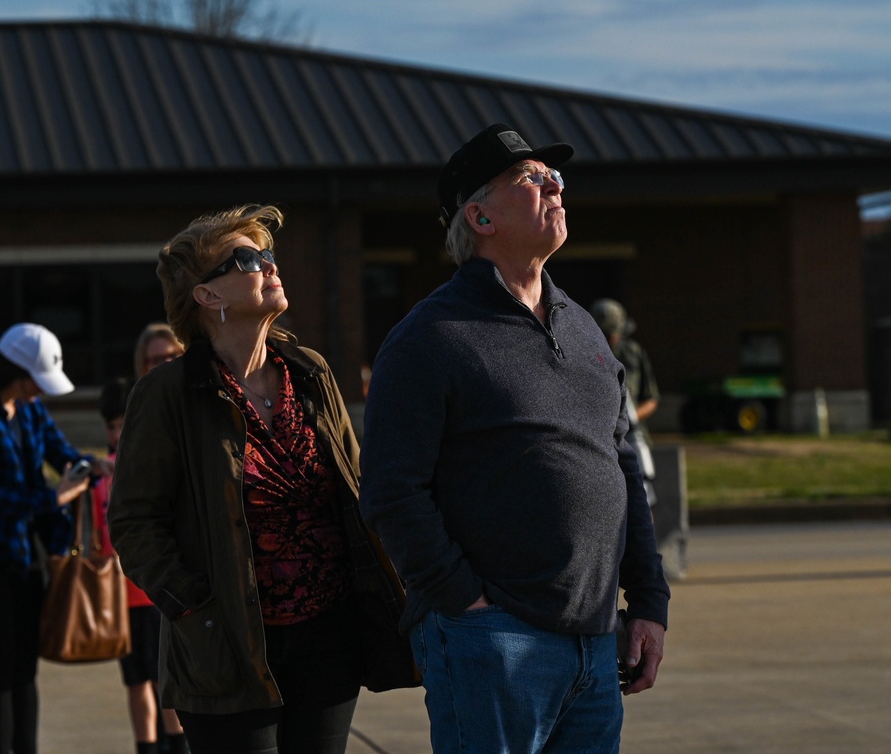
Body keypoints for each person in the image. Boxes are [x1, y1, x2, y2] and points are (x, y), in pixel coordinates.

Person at [359, 124, 671, 754]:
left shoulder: (583, 328)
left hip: (595, 640)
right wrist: (465, 603)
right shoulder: (430, 338)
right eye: (531, 178)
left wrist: (649, 602)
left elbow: (622, 470)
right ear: (479, 216)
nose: (555, 184)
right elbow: (392, 492)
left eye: (555, 176)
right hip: (492, 638)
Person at [106, 204, 416, 754]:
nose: (269, 266)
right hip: (229, 648)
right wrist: (194, 609)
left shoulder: (310, 372)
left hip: (329, 638)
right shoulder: (168, 394)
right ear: (207, 296)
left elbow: (358, 487)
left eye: (269, 255)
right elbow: (134, 520)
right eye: (247, 260)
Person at [0, 323, 109, 754]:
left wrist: (92, 466)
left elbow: (62, 453)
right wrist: (52, 496)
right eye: (37, 381)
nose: (41, 392)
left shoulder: (30, 410)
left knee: (24, 670)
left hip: (22, 557)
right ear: (12, 371)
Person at [90, 378, 187, 754]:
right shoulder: (104, 473)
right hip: (122, 597)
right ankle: (149, 746)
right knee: (137, 681)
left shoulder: (132, 467)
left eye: (122, 425)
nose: (116, 434)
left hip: (150, 594)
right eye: (111, 426)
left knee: (161, 681)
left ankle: (173, 745)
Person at [592, 298, 661, 506]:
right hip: (599, 442)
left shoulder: (634, 353)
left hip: (633, 437)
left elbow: (651, 398)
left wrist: (628, 418)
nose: (612, 338)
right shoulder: (585, 353)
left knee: (642, 498)